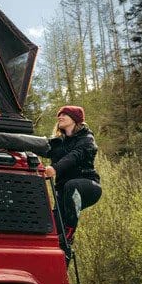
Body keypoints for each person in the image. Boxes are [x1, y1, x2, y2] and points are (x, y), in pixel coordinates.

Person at [44, 105, 101, 247]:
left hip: (88, 186)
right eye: (59, 114)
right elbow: (37, 145)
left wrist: (54, 168)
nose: (60, 117)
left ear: (75, 119)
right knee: (53, 226)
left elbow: (74, 156)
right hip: (64, 192)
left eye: (65, 114)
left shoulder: (87, 139)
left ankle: (69, 232)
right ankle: (63, 252)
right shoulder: (57, 142)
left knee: (72, 185)